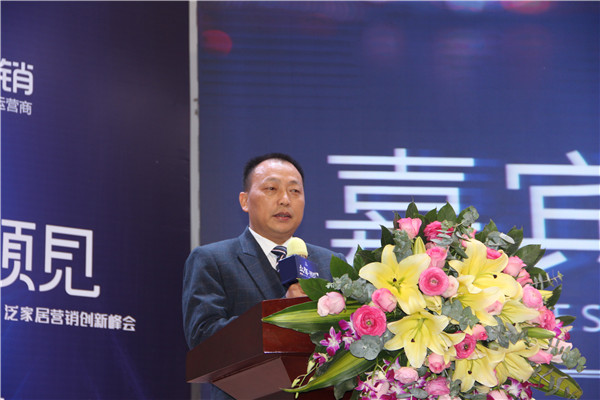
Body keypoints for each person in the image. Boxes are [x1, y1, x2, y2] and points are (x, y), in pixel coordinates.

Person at [182, 153, 345, 399]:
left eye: (295, 191)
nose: (285, 200)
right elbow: (203, 337)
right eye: (271, 189)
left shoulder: (330, 263)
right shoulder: (212, 259)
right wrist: (285, 314)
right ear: (245, 201)